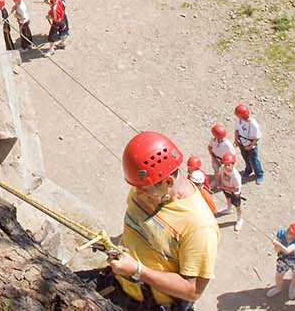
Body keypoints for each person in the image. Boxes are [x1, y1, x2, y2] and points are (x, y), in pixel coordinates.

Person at [81, 132, 218, 311]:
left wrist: (138, 271)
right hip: (115, 283)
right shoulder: (147, 189)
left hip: (148, 305)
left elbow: (193, 290)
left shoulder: (199, 226)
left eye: (143, 190)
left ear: (168, 182)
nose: (136, 194)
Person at [268, 222, 295, 300]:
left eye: (290, 232)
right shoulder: (281, 233)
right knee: (279, 274)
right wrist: (276, 246)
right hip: (283, 258)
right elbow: (277, 250)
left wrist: (278, 244)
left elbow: (287, 250)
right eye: (289, 229)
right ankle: (278, 288)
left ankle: (292, 287)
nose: (287, 231)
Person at [212, 152, 244, 230]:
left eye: (229, 165)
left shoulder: (236, 176)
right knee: (228, 198)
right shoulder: (223, 167)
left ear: (233, 164)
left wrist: (223, 187)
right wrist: (219, 182)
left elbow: (236, 189)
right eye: (225, 164)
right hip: (226, 187)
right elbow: (220, 174)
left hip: (234, 192)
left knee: (237, 206)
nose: (227, 166)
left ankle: (240, 219)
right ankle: (229, 209)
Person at [235, 103, 264, 183]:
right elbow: (237, 129)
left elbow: (257, 137)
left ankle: (259, 174)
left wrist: (250, 146)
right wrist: (236, 139)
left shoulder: (253, 124)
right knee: (246, 158)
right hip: (242, 142)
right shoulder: (239, 120)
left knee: (254, 160)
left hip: (250, 144)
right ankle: (248, 170)